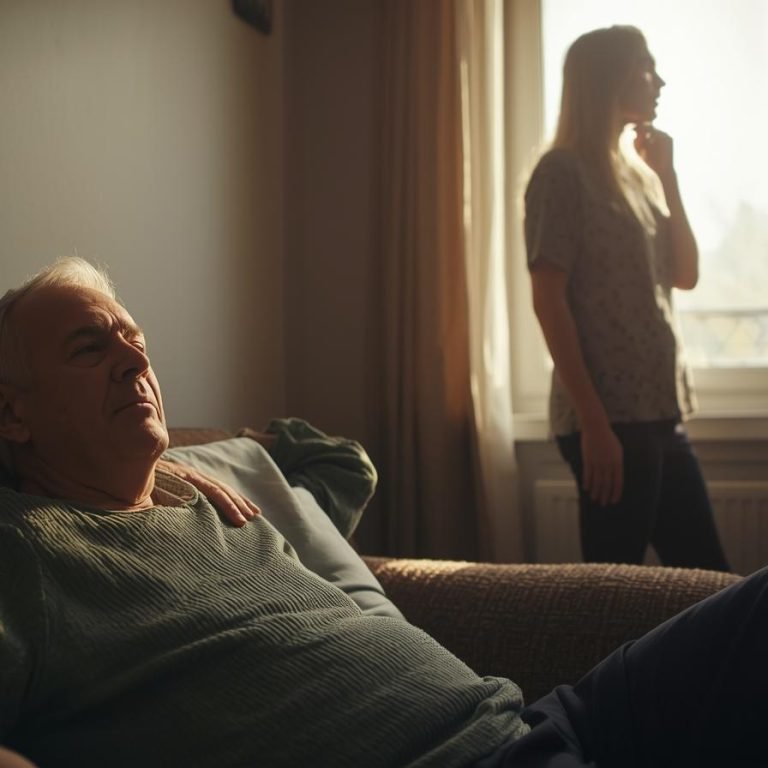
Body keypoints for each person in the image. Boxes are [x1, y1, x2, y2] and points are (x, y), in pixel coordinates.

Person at [1, 257, 768, 768]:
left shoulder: (204, 494)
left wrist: (189, 456)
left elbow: (333, 461)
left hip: (539, 723)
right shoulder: (28, 552)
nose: (135, 360)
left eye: (134, 339)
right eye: (88, 348)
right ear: (13, 417)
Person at [524, 25, 730, 570]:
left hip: (660, 412)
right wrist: (594, 424)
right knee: (613, 583)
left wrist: (670, 175)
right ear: (610, 79)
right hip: (610, 419)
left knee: (710, 580)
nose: (659, 81)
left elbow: (684, 274)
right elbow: (548, 300)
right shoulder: (561, 173)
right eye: (646, 67)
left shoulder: (639, 179)